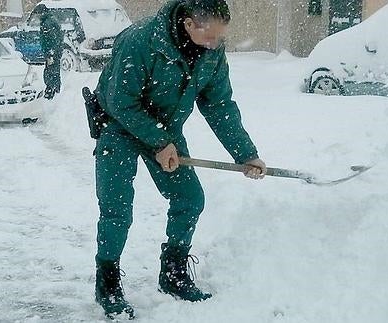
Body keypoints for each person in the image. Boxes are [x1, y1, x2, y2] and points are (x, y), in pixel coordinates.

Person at [91, 0, 267, 319]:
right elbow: (120, 100)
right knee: (117, 209)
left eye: (220, 36)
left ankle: (172, 274)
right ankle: (108, 283)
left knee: (189, 198)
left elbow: (219, 105)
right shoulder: (141, 41)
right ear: (189, 24)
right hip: (118, 125)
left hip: (165, 129)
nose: (216, 43)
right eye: (211, 35)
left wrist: (246, 154)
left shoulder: (211, 52)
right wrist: (158, 142)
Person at [38, 4, 64, 100]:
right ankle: (55, 90)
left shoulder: (46, 24)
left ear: (42, 13)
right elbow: (59, 37)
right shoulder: (52, 20)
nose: (37, 17)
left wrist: (50, 53)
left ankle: (51, 91)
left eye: (38, 14)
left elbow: (51, 39)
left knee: (50, 71)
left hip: (51, 52)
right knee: (55, 71)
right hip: (55, 51)